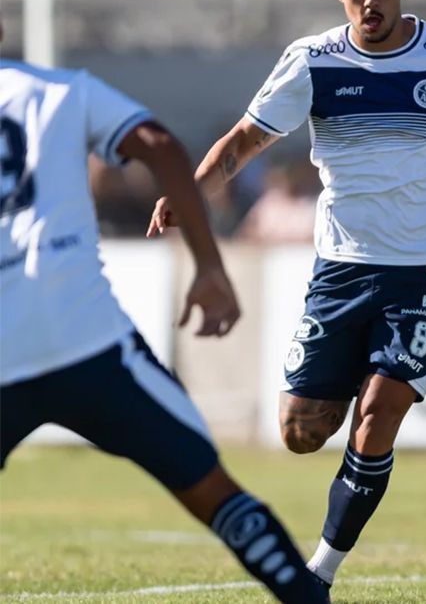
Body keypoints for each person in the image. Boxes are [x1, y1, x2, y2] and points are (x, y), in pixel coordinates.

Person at [146, 0, 426, 590]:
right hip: (342, 270)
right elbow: (243, 142)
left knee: (380, 411)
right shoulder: (312, 61)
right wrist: (189, 194)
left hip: (424, 269)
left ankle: (318, 574)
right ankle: (367, 373)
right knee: (300, 429)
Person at [0, 39, 328, 603]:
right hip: (88, 344)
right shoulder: (64, 91)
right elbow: (159, 145)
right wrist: (208, 265)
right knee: (214, 493)